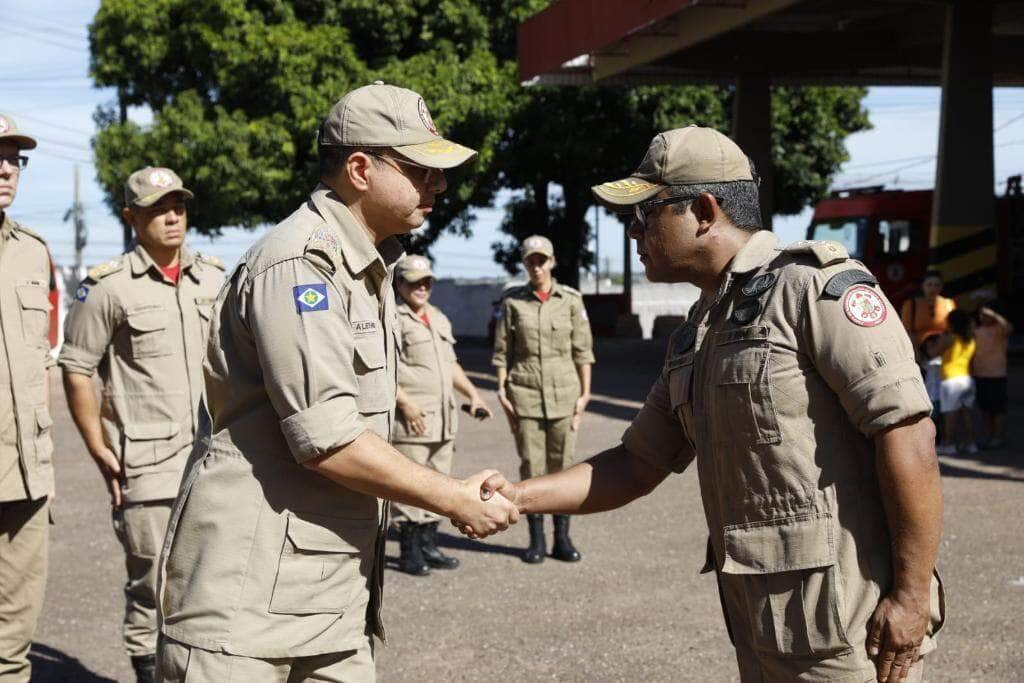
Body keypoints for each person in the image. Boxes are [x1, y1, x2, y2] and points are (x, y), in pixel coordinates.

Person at [473, 126, 945, 683]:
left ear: (702, 210)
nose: (634, 231)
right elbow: (636, 463)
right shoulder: (698, 330)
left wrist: (912, 598)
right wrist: (519, 497)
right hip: (764, 630)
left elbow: (907, 433)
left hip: (849, 637)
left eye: (646, 213)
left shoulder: (812, 291)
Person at [155, 82, 518, 681]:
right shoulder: (301, 265)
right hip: (246, 610)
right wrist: (452, 497)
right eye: (422, 170)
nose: (440, 186)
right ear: (359, 169)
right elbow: (328, 438)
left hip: (328, 601)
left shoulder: (366, 269)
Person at [58, 167, 225, 682]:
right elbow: (77, 367)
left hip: (218, 457)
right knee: (153, 584)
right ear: (132, 218)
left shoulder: (214, 277)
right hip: (149, 463)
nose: (172, 216)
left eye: (178, 204)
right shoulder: (107, 288)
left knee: (216, 583)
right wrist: (98, 445)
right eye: (157, 208)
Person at [492, 235, 594, 564]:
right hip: (525, 397)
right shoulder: (512, 304)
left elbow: (583, 352)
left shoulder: (571, 301)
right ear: (524, 264)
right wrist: (501, 390)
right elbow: (502, 353)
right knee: (533, 470)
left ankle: (562, 539)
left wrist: (585, 394)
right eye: (530, 261)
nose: (536, 266)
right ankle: (535, 541)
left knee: (563, 469)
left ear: (551, 262)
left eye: (541, 260)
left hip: (564, 396)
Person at [391, 254, 493, 576]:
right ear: (400, 284)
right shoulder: (392, 319)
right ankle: (409, 553)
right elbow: (380, 368)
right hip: (413, 419)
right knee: (411, 485)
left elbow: (451, 366)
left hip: (444, 418)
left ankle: (428, 546)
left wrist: (473, 395)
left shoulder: (438, 318)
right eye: (413, 282)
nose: (421, 288)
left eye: (426, 282)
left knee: (439, 482)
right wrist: (404, 402)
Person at [0, 113, 55, 683]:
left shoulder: (33, 253)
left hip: (25, 478)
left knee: (12, 651)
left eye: (14, 158)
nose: (5, 168)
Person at [936, 309, 977, 456]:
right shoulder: (971, 339)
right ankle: (971, 444)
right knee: (967, 414)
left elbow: (935, 352)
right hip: (967, 379)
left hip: (950, 380)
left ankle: (949, 445)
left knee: (949, 415)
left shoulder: (949, 338)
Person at [972, 304, 1012, 449]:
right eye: (981, 315)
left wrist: (994, 315)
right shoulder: (976, 331)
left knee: (998, 409)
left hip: (997, 375)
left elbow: (1009, 327)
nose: (983, 317)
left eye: (987, 315)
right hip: (980, 374)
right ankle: (988, 436)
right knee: (985, 409)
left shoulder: (1000, 330)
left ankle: (998, 437)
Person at [900, 270, 955, 347]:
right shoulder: (910, 305)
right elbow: (906, 331)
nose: (933, 288)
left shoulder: (949, 304)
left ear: (941, 287)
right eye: (929, 285)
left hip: (945, 349)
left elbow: (953, 330)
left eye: (937, 285)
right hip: (920, 351)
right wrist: (916, 351)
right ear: (922, 286)